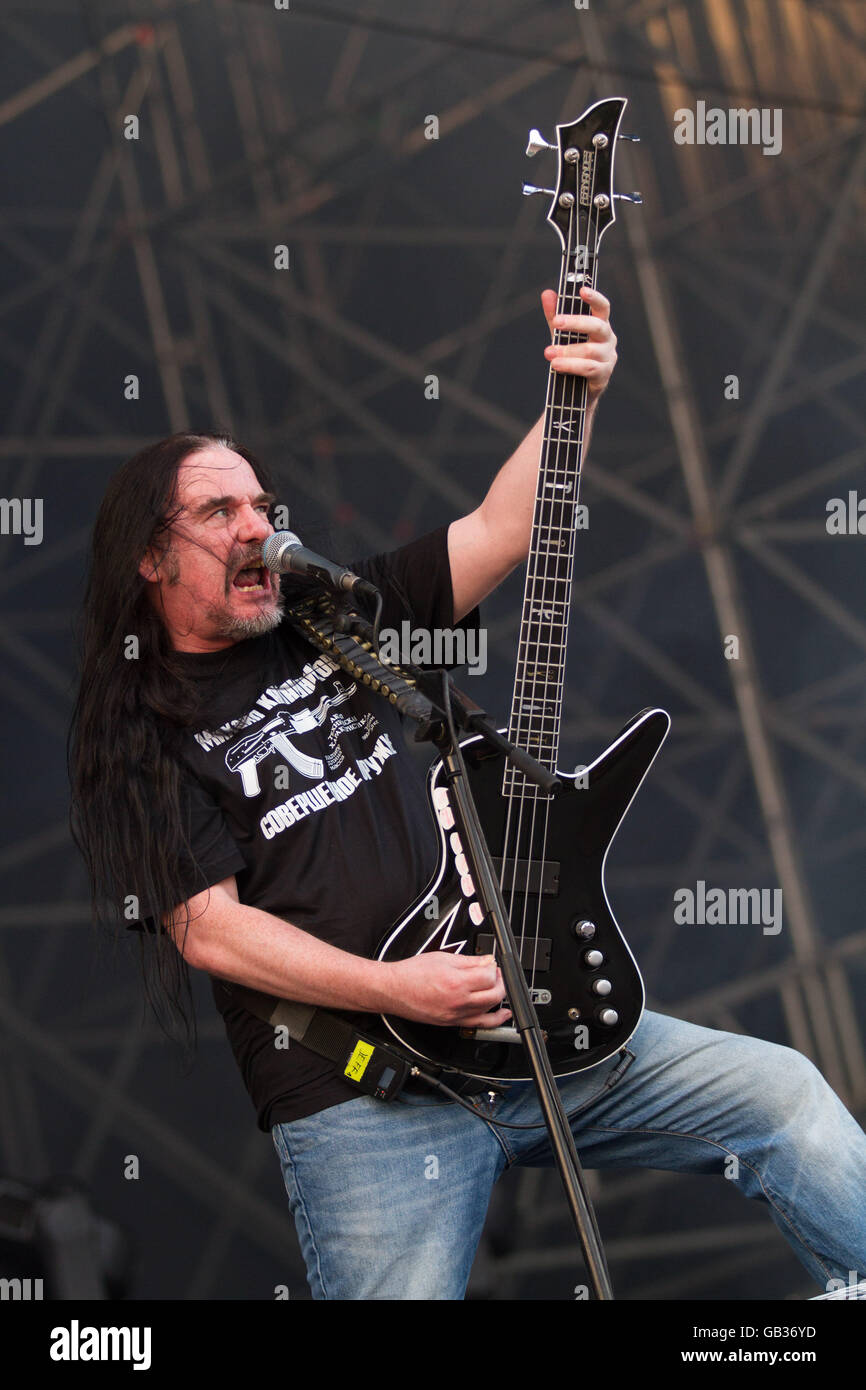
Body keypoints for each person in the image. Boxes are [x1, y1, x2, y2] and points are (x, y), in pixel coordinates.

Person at [69, 287, 866, 1302]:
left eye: (264, 508)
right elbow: (209, 933)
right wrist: (397, 990)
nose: (256, 529)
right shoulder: (139, 729)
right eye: (218, 513)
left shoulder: (335, 618)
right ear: (149, 556)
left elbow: (499, 527)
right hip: (362, 1098)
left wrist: (574, 394)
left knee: (783, 1098)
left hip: (522, 1026)